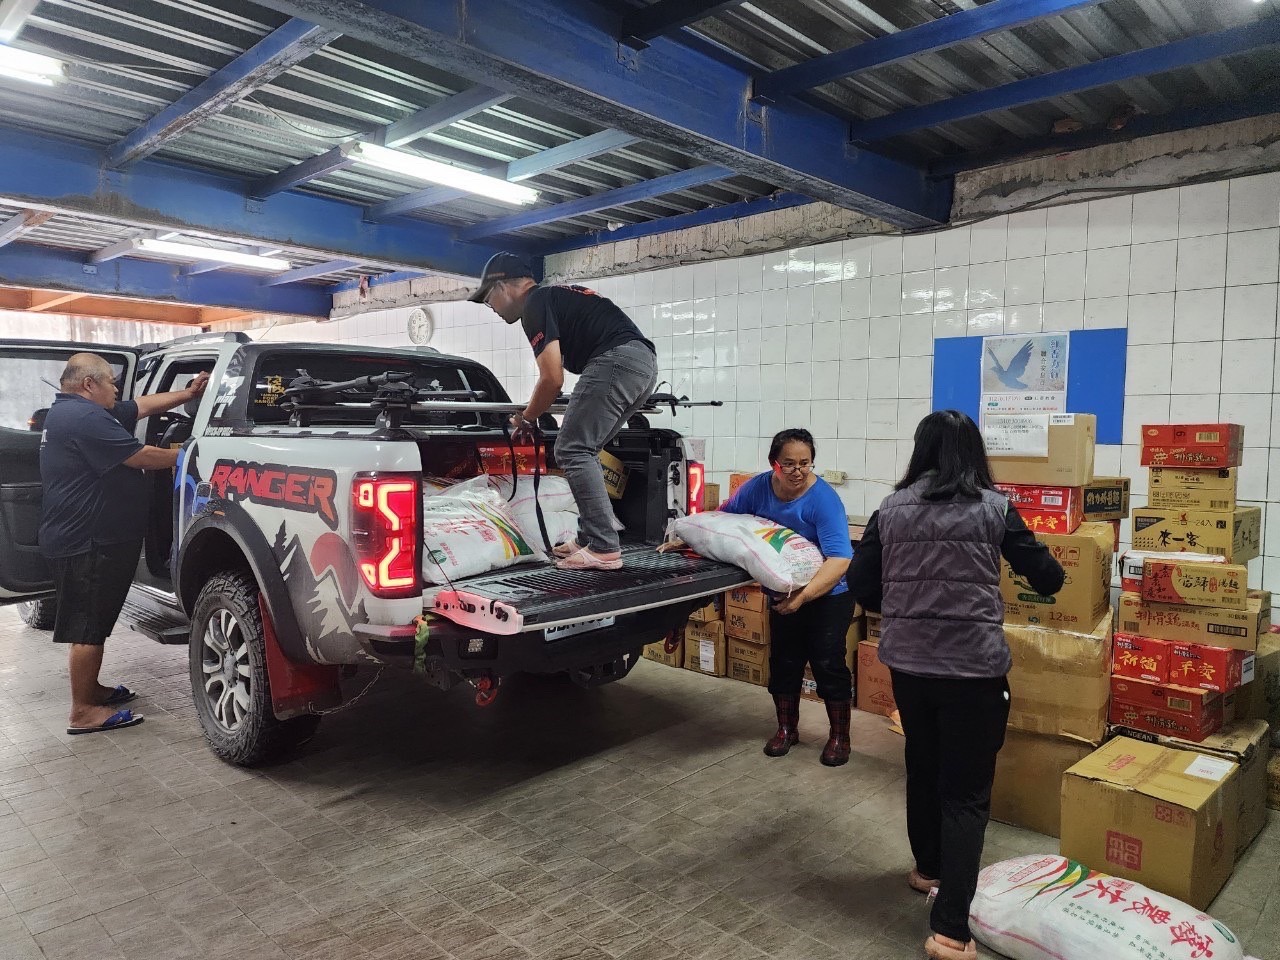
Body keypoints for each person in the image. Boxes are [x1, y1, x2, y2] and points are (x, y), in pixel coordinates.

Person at [845, 410, 1064, 960]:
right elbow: (1049, 578)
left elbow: (861, 583)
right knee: (966, 795)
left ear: (920, 451)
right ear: (973, 453)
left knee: (923, 767)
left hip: (910, 669)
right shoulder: (994, 509)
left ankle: (928, 869)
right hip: (974, 673)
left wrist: (906, 605)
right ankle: (950, 931)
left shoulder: (890, 509)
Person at [39, 353, 209, 736]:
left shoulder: (71, 411)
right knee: (87, 627)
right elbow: (141, 456)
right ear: (89, 384)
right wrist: (196, 457)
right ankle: (83, 711)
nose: (117, 390)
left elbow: (141, 406)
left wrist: (188, 393)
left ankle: (92, 691)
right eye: (111, 383)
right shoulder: (85, 418)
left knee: (93, 621)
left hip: (86, 538)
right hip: (88, 542)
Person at [471, 252, 658, 571]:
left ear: (503, 286)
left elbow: (552, 379)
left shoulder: (535, 303)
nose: (492, 308)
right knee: (586, 449)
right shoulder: (555, 296)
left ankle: (603, 547)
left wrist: (526, 418)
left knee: (573, 449)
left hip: (617, 361)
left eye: (489, 299)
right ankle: (589, 537)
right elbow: (554, 381)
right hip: (643, 364)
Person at [720, 429, 856, 767]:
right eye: (789, 464)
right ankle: (786, 729)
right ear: (774, 464)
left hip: (829, 594)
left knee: (828, 663)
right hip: (784, 594)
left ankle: (839, 737)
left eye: (805, 464)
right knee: (784, 661)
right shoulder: (756, 488)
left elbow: (840, 559)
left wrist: (803, 598)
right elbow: (725, 519)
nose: (797, 471)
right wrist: (687, 539)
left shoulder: (823, 500)